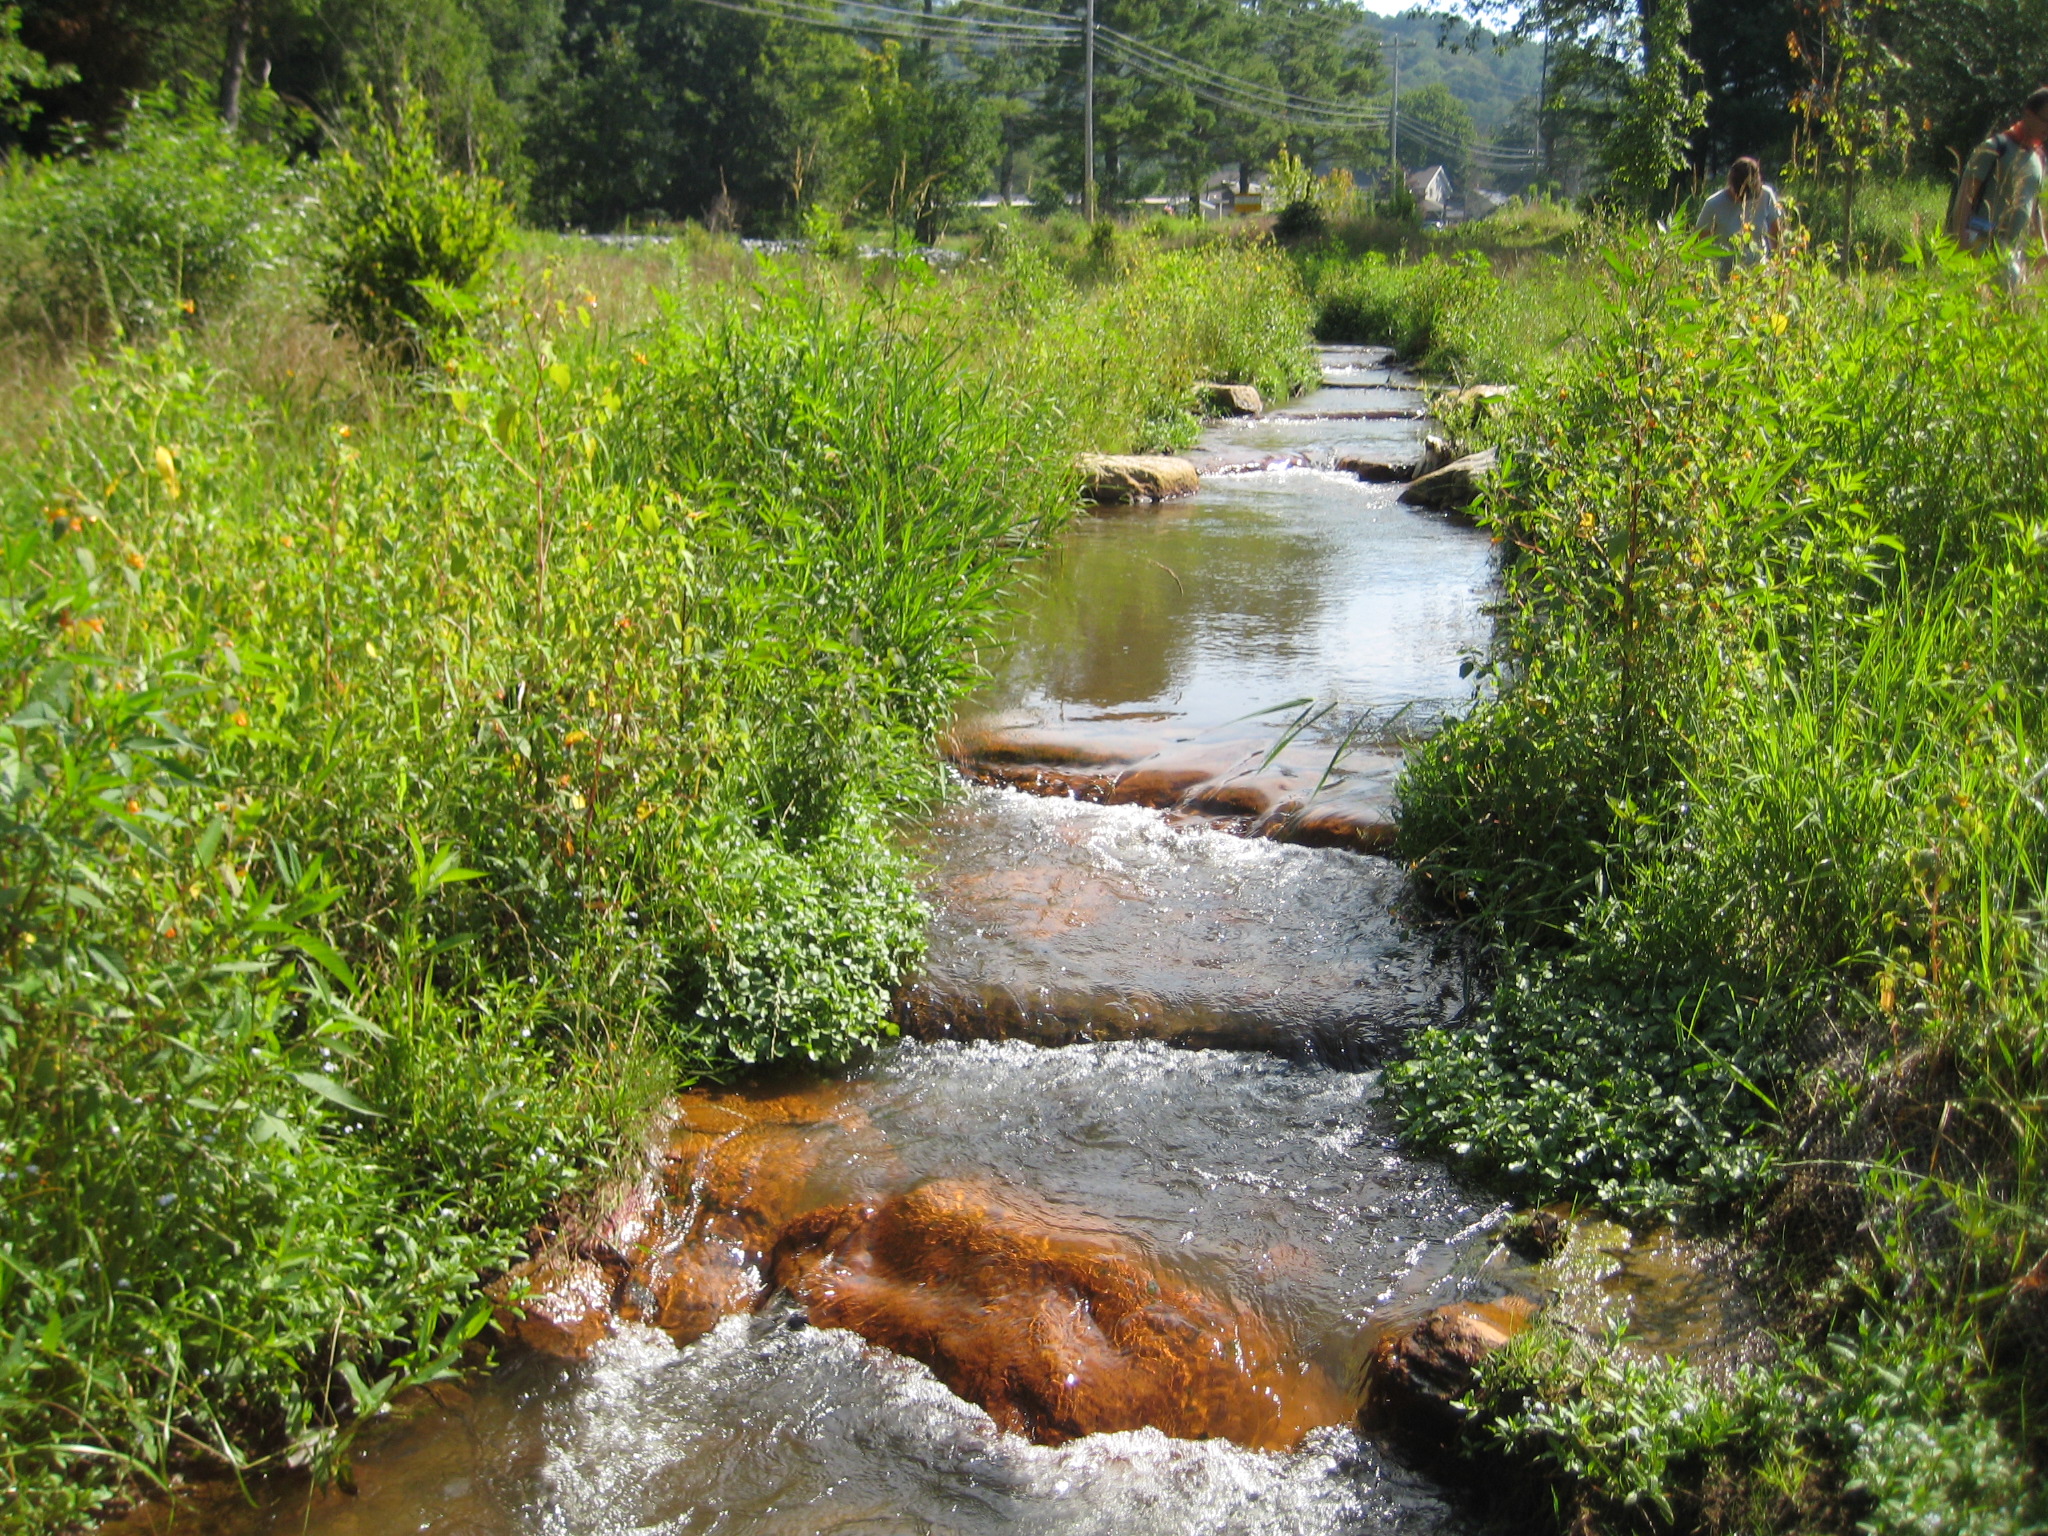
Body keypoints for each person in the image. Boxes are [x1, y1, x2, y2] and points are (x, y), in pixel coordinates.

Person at [1950, 88, 2048, 291]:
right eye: (2045, 119)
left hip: (2013, 247)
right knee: (2007, 291)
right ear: (2028, 114)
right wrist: (1961, 241)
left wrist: (2042, 245)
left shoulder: (2038, 157)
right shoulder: (1995, 148)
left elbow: (2033, 203)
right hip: (1980, 240)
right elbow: (1965, 196)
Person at [1696, 157, 1783, 279]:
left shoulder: (1766, 195)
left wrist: (1778, 266)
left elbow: (1775, 233)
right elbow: (1701, 243)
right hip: (1724, 277)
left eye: (1749, 196)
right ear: (1731, 184)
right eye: (1740, 195)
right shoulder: (1713, 204)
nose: (1744, 200)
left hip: (1758, 274)